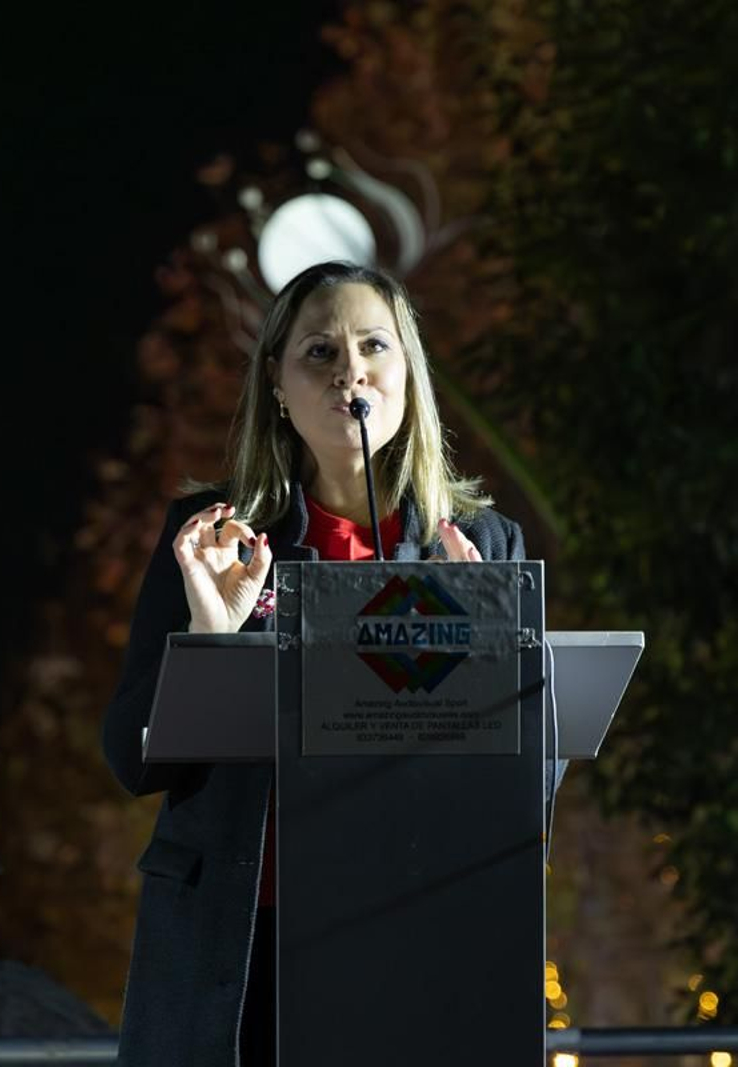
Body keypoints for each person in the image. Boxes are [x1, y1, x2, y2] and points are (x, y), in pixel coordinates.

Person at [102, 260, 526, 1067]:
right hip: (243, 939)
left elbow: (519, 782)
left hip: (410, 924)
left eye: (374, 346)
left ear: (409, 373)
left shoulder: (479, 544)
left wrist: (471, 654)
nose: (350, 372)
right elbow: (134, 758)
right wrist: (211, 635)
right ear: (277, 382)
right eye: (320, 351)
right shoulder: (216, 535)